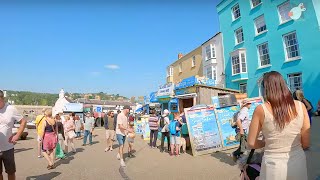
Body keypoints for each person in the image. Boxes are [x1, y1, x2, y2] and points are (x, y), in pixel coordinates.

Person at [247, 71, 310, 180]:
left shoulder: (261, 109)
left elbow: (251, 143)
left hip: (273, 164)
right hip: (297, 161)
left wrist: (266, 142)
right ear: (284, 86)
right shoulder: (301, 106)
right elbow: (306, 143)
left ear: (265, 89)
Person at [0, 90, 27, 180]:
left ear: (2, 98)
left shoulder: (11, 109)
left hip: (8, 148)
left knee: (11, 172)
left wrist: (17, 135)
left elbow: (23, 121)